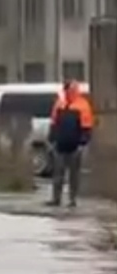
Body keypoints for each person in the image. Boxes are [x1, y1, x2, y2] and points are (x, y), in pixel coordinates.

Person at [47, 79, 95, 207]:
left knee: (74, 175)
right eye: (68, 89)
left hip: (75, 147)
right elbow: (53, 124)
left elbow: (87, 127)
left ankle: (72, 199)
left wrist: (82, 144)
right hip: (60, 145)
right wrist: (51, 141)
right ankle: (56, 198)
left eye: (72, 89)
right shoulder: (59, 104)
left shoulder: (83, 105)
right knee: (58, 174)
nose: (70, 91)